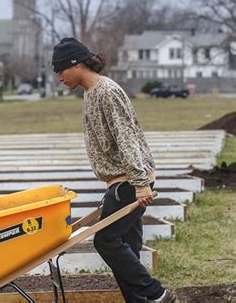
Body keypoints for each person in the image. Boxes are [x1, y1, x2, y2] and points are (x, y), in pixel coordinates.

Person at [51, 37, 177, 303]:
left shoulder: (106, 91)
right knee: (127, 250)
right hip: (123, 181)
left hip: (130, 182)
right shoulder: (92, 92)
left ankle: (157, 294)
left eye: (60, 69)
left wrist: (140, 184)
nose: (59, 77)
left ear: (76, 64)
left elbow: (126, 138)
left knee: (106, 241)